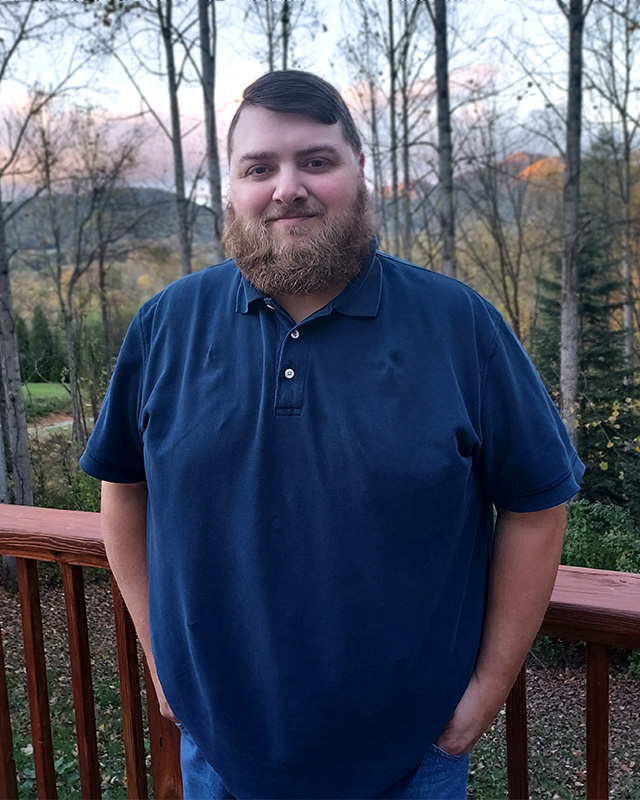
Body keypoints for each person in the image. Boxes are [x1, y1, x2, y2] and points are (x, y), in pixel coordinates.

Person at [80, 70, 584, 800]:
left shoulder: (458, 325)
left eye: (316, 160)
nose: (288, 187)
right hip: (218, 760)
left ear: (359, 171)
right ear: (231, 187)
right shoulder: (167, 324)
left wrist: (489, 687)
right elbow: (122, 488)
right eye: (260, 167)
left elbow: (537, 504)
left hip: (414, 763)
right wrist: (163, 659)